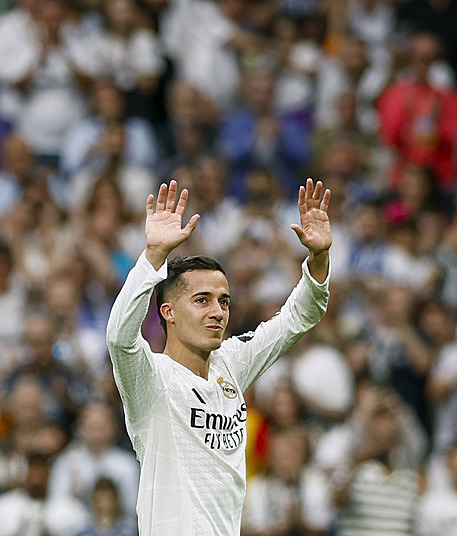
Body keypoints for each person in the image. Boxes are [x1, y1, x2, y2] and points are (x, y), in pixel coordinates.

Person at [105, 178, 331, 535]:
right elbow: (120, 339)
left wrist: (318, 258)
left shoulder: (231, 363)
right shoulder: (152, 379)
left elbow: (297, 318)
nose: (218, 312)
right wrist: (153, 257)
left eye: (224, 301)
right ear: (168, 312)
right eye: (202, 300)